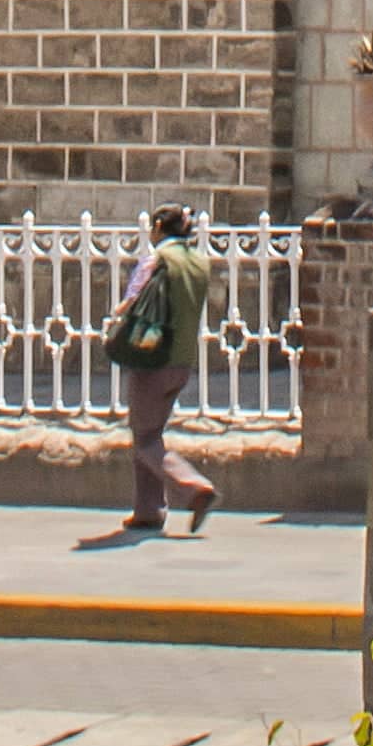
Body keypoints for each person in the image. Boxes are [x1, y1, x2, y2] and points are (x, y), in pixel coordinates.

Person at [109, 202, 218, 536]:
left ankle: (194, 487)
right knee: (149, 432)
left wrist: (118, 313)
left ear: (158, 227)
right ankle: (148, 510)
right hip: (181, 360)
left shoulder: (156, 260)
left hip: (152, 357)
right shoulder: (200, 263)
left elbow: (130, 302)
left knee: (144, 439)